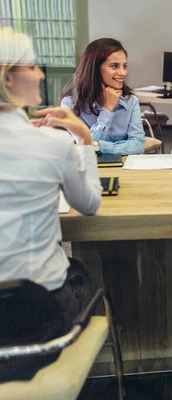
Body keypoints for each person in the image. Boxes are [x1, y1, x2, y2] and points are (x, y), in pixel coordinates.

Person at [0, 27, 102, 380]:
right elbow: (89, 204)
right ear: (8, 77)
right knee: (78, 272)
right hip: (42, 320)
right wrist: (83, 138)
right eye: (32, 66)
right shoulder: (53, 145)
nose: (42, 74)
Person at [60, 38, 145, 155]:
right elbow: (86, 147)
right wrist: (107, 109)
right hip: (89, 168)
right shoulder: (69, 104)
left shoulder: (130, 101)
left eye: (124, 66)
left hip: (124, 169)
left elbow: (137, 146)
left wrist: (100, 146)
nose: (123, 73)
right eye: (114, 66)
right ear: (95, 69)